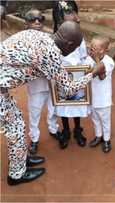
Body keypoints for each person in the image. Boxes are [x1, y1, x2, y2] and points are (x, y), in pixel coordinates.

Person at [0, 21, 105, 186]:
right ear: (69, 44)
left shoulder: (37, 34)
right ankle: (16, 175)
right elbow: (68, 90)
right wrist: (93, 73)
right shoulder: (51, 54)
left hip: (2, 88)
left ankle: (22, 159)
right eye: (75, 47)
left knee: (18, 125)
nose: (73, 51)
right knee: (15, 129)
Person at [23, 9, 60, 155]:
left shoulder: (50, 38)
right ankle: (34, 139)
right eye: (33, 19)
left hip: (51, 82)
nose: (37, 22)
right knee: (35, 111)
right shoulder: (22, 40)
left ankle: (53, 128)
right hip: (36, 84)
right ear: (26, 23)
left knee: (53, 109)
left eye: (40, 18)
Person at [53, 0, 89, 149]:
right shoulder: (55, 37)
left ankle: (77, 130)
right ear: (59, 16)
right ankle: (66, 130)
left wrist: (82, 70)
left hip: (77, 76)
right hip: (60, 77)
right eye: (68, 13)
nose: (73, 16)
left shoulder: (79, 37)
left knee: (76, 103)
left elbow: (83, 57)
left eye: (75, 12)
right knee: (62, 104)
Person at [85, 36, 114, 153]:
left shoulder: (109, 61)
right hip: (93, 97)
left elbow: (101, 76)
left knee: (105, 121)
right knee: (95, 119)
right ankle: (98, 136)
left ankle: (106, 140)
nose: (91, 49)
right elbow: (85, 72)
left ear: (103, 50)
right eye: (91, 47)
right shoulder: (88, 60)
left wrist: (96, 59)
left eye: (95, 48)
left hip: (104, 99)